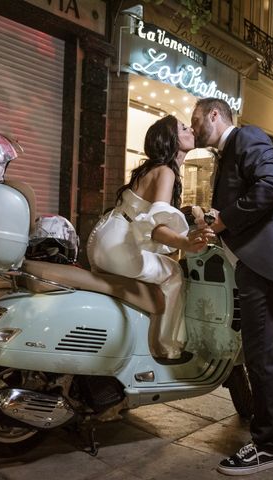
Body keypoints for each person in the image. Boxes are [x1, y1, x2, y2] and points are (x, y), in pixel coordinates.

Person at [191, 98, 273, 476]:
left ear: (215, 115)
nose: (194, 126)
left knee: (262, 351)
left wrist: (222, 221)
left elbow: (272, 184)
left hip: (266, 261)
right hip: (272, 260)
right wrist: (221, 219)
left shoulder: (247, 136)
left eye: (196, 120)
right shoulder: (232, 149)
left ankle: (266, 445)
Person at [87, 115, 210, 361]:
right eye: (184, 128)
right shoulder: (165, 172)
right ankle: (165, 347)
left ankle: (144, 334)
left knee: (158, 268)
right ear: (172, 139)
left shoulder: (151, 170)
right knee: (174, 274)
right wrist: (186, 243)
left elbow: (150, 216)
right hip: (119, 247)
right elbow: (155, 227)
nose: (190, 130)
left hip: (102, 240)